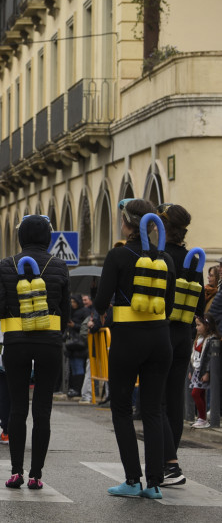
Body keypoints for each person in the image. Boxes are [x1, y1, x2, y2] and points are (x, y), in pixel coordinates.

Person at [93, 199, 173, 499]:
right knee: (153, 410)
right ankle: (154, 483)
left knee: (122, 409)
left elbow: (101, 301)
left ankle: (132, 480)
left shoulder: (118, 255)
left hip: (127, 339)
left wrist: (105, 309)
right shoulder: (164, 257)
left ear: (127, 224)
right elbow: (171, 298)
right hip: (160, 338)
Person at [0, 215, 70, 489]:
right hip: (49, 342)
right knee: (43, 409)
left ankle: (16, 472)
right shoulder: (59, 266)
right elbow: (66, 309)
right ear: (48, 237)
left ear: (21, 237)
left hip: (16, 343)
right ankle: (36, 475)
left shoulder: (6, 265)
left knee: (18, 407)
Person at [156, 203, 204, 485]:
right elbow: (198, 303)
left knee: (156, 400)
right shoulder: (192, 259)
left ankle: (166, 463)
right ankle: (171, 459)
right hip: (183, 334)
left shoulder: (158, 258)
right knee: (174, 399)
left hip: (159, 332)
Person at [189, 315, 217, 428]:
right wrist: (191, 370)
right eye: (196, 325)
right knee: (200, 393)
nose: (196, 328)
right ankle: (202, 418)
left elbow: (209, 358)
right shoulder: (198, 338)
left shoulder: (211, 339)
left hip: (203, 371)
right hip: (197, 370)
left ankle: (202, 418)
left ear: (207, 326)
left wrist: (207, 372)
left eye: (199, 325)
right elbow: (193, 355)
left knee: (195, 393)